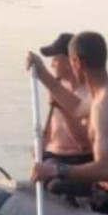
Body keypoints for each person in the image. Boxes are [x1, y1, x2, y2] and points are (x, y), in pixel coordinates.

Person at [28, 31, 108, 215]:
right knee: (53, 188)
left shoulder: (105, 106)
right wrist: (43, 73)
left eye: (71, 61)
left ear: (77, 62)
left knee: (55, 190)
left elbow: (105, 170)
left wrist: (54, 169)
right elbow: (76, 108)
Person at [36, 33, 92, 196]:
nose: (52, 65)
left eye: (55, 59)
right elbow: (50, 127)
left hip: (79, 159)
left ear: (70, 62)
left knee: (56, 185)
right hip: (54, 154)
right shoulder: (59, 87)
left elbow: (85, 142)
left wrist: (62, 107)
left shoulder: (88, 94)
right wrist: (41, 144)